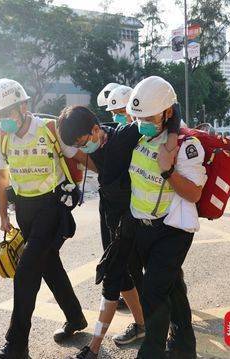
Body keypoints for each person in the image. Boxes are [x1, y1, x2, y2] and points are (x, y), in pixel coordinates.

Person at [0, 79, 88, 359]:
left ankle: (16, 346)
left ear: (23, 106)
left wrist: (112, 172)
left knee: (26, 272)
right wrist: (4, 215)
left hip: (52, 207)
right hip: (24, 210)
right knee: (49, 265)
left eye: (7, 113)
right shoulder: (1, 138)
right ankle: (76, 318)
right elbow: (2, 177)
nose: (3, 120)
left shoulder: (50, 130)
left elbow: (79, 156)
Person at [126, 76, 206, 359]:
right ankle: (184, 348)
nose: (142, 121)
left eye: (149, 116)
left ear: (167, 112)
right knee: (172, 289)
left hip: (172, 230)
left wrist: (168, 171)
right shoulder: (140, 136)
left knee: (153, 294)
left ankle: (152, 353)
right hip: (144, 228)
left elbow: (194, 193)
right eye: (139, 116)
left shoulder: (187, 144)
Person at [58, 106, 146, 359]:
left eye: (81, 142)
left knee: (115, 275)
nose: (80, 148)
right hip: (109, 214)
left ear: (95, 130)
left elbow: (169, 107)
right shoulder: (95, 143)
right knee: (123, 273)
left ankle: (95, 347)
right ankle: (142, 326)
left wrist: (171, 135)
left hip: (132, 217)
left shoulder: (124, 135)